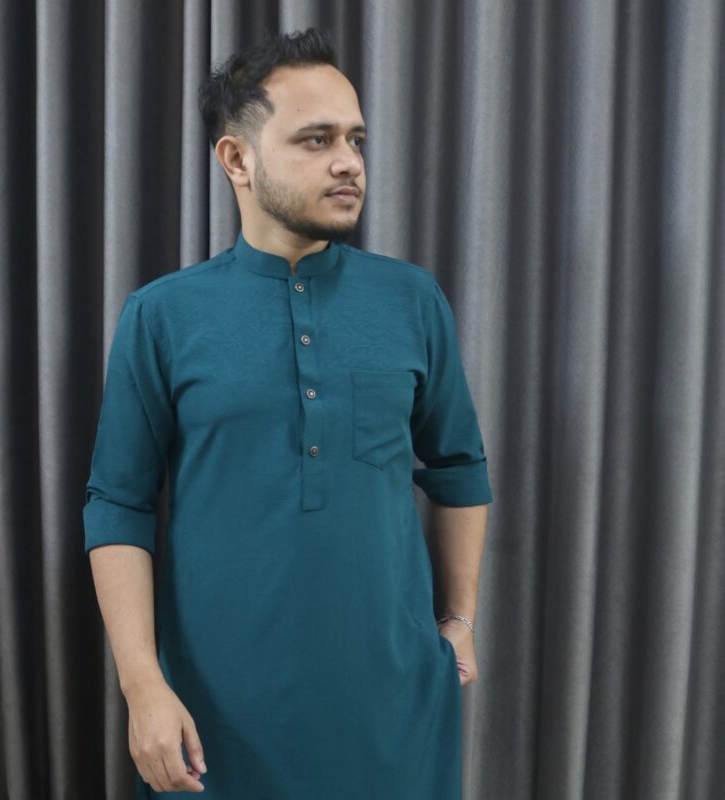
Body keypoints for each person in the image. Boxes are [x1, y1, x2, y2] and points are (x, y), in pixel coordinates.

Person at [83, 26, 492, 799]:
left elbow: (459, 466)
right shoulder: (162, 316)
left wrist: (460, 624)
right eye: (316, 139)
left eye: (355, 139)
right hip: (211, 722)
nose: (349, 161)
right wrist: (143, 688)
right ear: (236, 159)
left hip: (395, 714)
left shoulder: (411, 299)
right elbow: (117, 504)